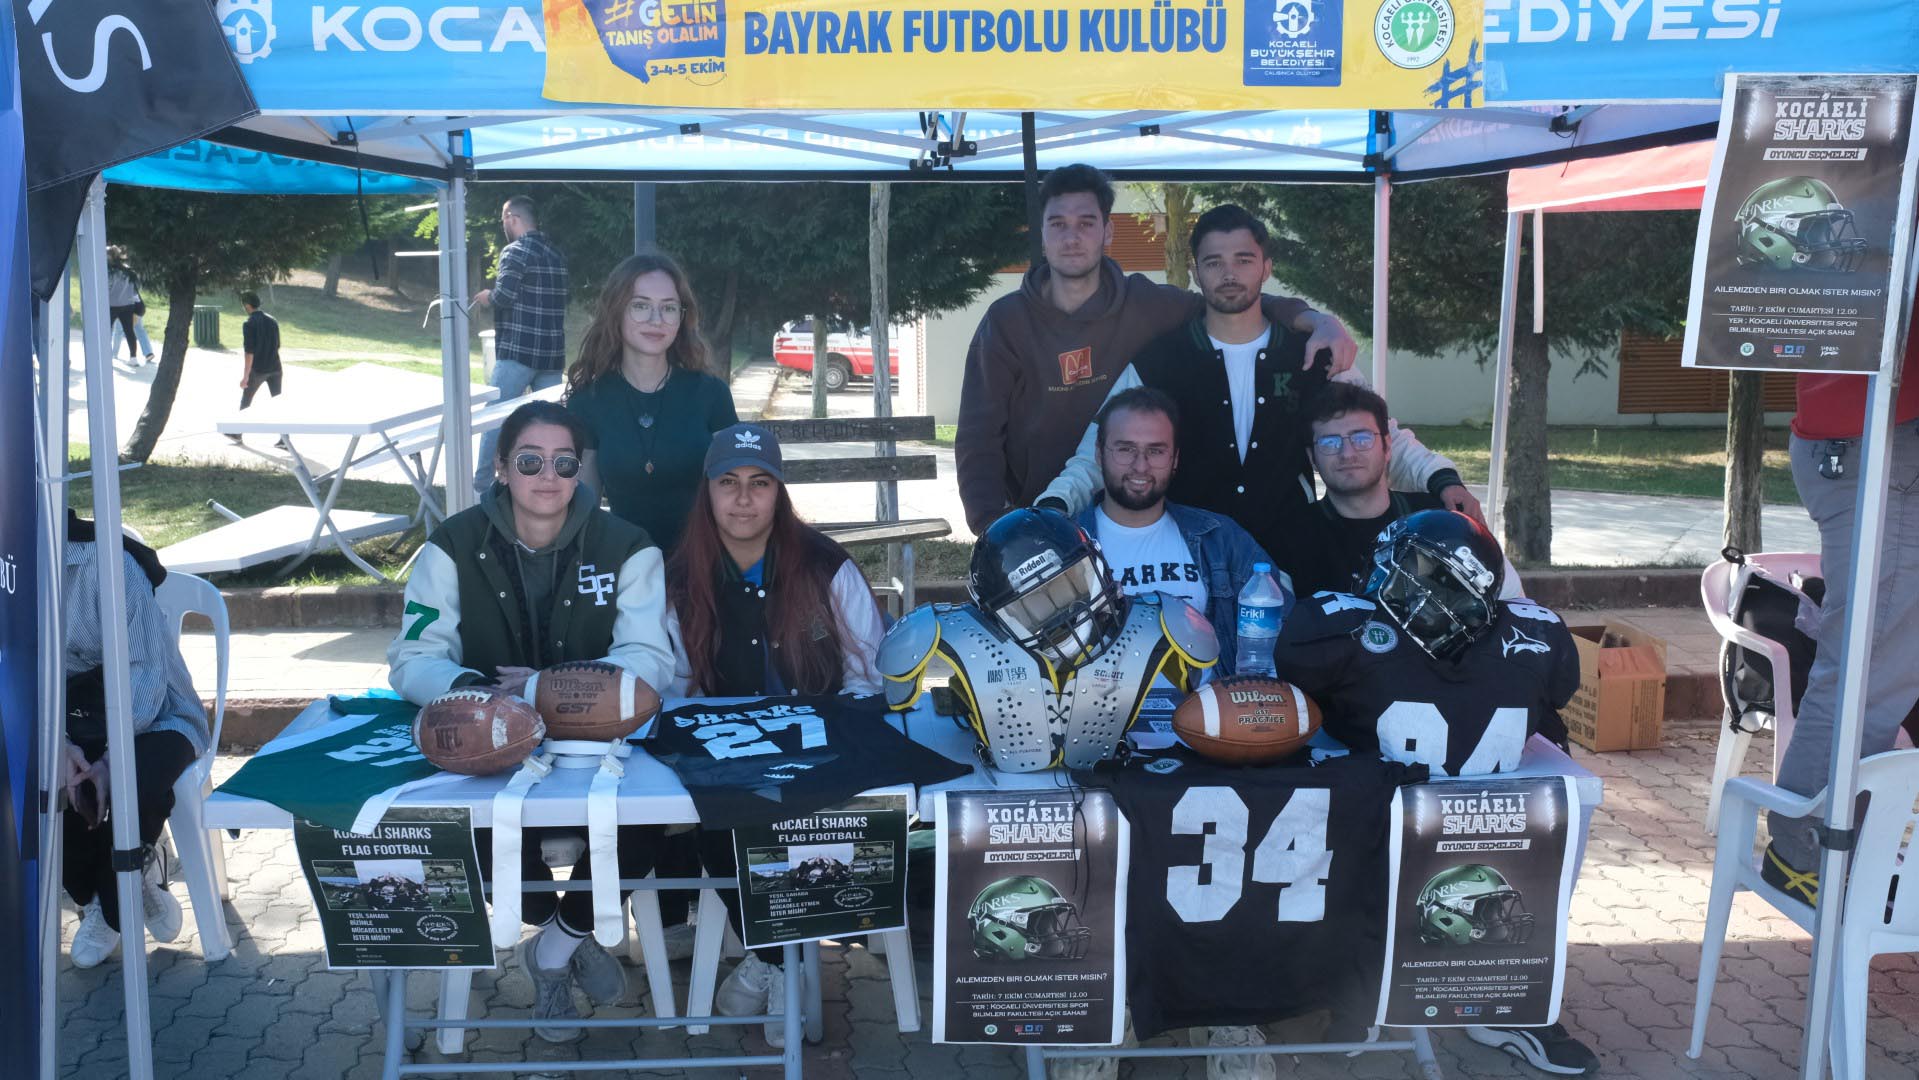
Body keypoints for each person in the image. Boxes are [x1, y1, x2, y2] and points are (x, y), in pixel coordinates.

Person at [387, 400, 675, 1042]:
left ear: (580, 472)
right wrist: (477, 697)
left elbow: (651, 660)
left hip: (599, 746)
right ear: (501, 467)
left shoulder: (628, 546)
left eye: (564, 463)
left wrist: (544, 689)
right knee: (475, 827)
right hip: (488, 740)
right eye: (530, 461)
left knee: (646, 819)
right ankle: (565, 934)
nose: (549, 476)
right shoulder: (450, 546)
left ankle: (553, 948)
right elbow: (413, 656)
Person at [1273, 511, 1598, 1076]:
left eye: (1431, 576)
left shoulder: (1340, 627)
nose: (1416, 589)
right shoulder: (1540, 636)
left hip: (1439, 840)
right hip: (1427, 834)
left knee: (1556, 822)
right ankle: (1368, 991)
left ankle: (1503, 1001)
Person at [1036, 204, 1477, 568]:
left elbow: (1382, 435)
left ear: (1266, 267)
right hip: (1193, 556)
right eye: (1214, 262)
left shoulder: (1315, 354)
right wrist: (1055, 505)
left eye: (1243, 260)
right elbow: (1097, 452)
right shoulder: (1160, 359)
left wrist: (1443, 480)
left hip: (1293, 553)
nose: (1229, 274)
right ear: (1196, 271)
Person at [956, 164, 1360, 534]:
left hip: (1128, 516)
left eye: (1086, 223)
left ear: (1108, 232)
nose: (1072, 237)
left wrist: (1314, 319)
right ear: (1041, 234)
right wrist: (991, 527)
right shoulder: (1006, 321)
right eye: (1057, 224)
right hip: (1039, 515)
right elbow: (979, 434)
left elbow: (1232, 300)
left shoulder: (1148, 304)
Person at [664, 423, 884, 1045]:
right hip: (729, 752)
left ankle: (770, 959)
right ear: (707, 491)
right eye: (728, 483)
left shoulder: (825, 565)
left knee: (804, 820)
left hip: (820, 745)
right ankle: (782, 961)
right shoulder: (680, 577)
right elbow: (676, 689)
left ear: (779, 491)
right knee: (713, 816)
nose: (743, 499)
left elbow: (871, 675)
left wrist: (819, 735)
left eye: (760, 483)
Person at [1762, 333, 1919, 906]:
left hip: (1870, 429)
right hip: (1880, 431)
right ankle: (1806, 857)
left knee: (1871, 670)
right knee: (1865, 673)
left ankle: (1825, 852)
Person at [61, 510, 208, 968]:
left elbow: (144, 675)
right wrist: (59, 745)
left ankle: (113, 898)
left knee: (132, 783)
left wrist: (109, 759)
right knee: (43, 786)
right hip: (67, 720)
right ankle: (115, 882)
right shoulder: (13, 573)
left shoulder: (110, 563)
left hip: (155, 714)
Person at [1073, 386, 1281, 676]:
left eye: (1156, 451)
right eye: (1125, 449)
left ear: (1175, 459)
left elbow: (1280, 632)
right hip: (1099, 705)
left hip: (1207, 704)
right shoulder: (1065, 546)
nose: (1140, 466)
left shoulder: (1220, 538)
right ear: (1099, 453)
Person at [565, 252, 738, 552]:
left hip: (704, 561)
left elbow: (736, 491)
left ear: (681, 318)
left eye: (668, 308)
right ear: (616, 311)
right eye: (641, 306)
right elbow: (585, 507)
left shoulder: (711, 394)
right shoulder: (587, 402)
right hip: (624, 562)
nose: (656, 320)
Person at [1286, 382, 1521, 600]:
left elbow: (1511, 599)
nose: (1347, 453)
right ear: (1312, 458)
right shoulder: (1292, 537)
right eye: (1330, 443)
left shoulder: (1441, 523)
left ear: (1388, 446)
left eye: (1362, 438)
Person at [472, 195, 570, 496]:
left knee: (494, 417)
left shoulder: (514, 252)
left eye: (503, 220)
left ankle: (481, 486)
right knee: (550, 425)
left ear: (512, 218)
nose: (503, 225)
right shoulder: (557, 255)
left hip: (519, 351)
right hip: (551, 355)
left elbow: (504, 296)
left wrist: (486, 296)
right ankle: (549, 483)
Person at [231, 291, 283, 445]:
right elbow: (278, 345)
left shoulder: (249, 324)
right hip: (276, 367)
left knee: (246, 400)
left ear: (247, 306)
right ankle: (284, 440)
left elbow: (249, 352)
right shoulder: (273, 320)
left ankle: (237, 433)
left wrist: (246, 376)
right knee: (279, 402)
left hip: (259, 370)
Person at [105, 246, 155, 365]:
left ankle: (106, 355)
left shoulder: (108, 271)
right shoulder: (128, 270)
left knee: (107, 330)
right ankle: (133, 358)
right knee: (129, 331)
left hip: (112, 305)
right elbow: (136, 287)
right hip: (128, 305)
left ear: (109, 256)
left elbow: (107, 287)